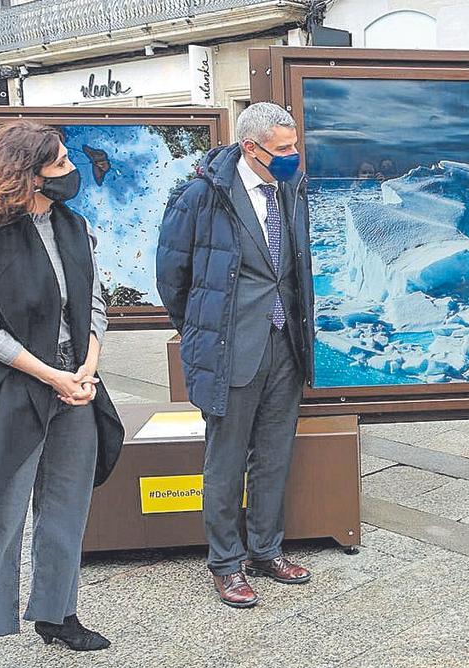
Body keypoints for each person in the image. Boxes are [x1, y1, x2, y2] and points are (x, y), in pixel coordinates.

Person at [0, 120, 124, 668]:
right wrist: (52, 376)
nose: (72, 172)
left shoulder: (74, 226)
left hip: (75, 382)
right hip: (13, 385)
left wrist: (88, 364)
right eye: (60, 164)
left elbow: (93, 303)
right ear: (26, 174)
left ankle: (56, 614)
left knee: (68, 505)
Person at [157, 102, 316, 608]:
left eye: (295, 145)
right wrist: (203, 332)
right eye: (284, 149)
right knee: (225, 460)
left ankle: (267, 550)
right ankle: (226, 564)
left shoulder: (290, 189)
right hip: (230, 349)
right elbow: (173, 277)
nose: (294, 156)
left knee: (273, 456)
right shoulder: (202, 196)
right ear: (251, 148)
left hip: (283, 344)